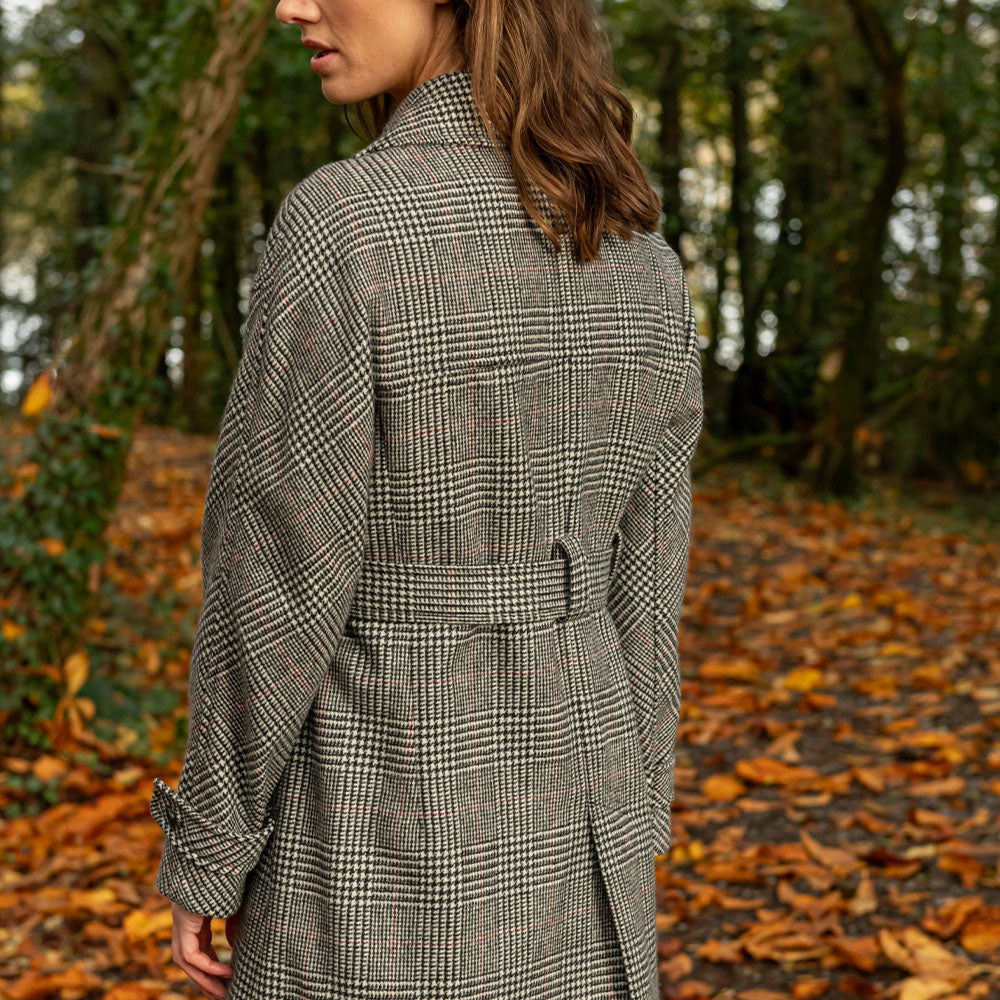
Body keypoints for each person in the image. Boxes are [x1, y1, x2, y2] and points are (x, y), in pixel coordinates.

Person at [148, 0, 705, 997]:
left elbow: (275, 577)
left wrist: (210, 850)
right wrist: (635, 813)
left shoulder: (346, 222)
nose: (291, 6)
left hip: (379, 819)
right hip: (586, 820)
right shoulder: (640, 253)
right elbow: (649, 586)